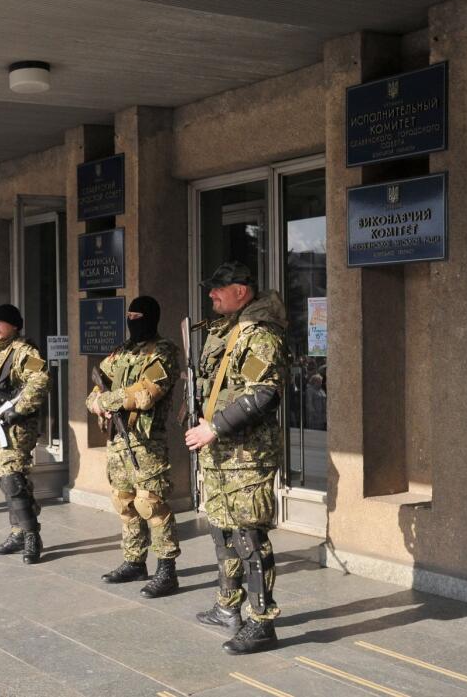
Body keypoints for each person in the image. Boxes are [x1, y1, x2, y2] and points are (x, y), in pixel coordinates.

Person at [184, 261, 288, 655]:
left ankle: (262, 622)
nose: (211, 295)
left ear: (241, 291)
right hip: (220, 452)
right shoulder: (226, 331)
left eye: (218, 288)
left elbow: (263, 394)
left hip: (247, 455)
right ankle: (228, 606)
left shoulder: (260, 336)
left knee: (249, 536)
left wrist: (214, 427)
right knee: (222, 529)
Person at [87, 295, 182, 597]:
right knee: (124, 503)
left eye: (138, 316)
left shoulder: (164, 351)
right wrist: (98, 404)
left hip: (146, 443)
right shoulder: (121, 352)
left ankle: (167, 570)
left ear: (151, 318)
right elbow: (93, 393)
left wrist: (107, 400)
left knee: (151, 504)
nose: (132, 321)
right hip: (117, 442)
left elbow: (146, 394)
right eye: (129, 316)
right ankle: (134, 560)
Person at [0, 304, 49, 564]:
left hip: (17, 427)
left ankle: (31, 536)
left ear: (15, 325)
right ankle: (17, 533)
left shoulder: (26, 352)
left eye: (1, 322)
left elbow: (41, 380)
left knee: (13, 479)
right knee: (7, 480)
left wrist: (18, 409)